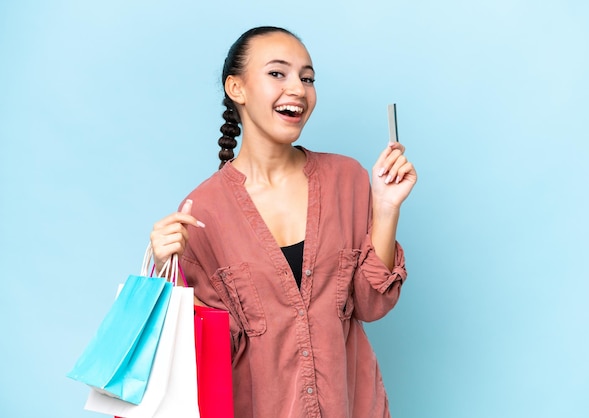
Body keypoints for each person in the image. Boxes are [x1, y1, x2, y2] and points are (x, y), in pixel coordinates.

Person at [150, 26, 417, 418]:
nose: (298, 89)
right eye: (278, 73)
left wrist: (387, 206)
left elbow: (371, 303)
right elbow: (211, 354)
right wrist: (166, 273)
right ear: (236, 89)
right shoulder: (201, 211)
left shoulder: (348, 179)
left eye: (307, 78)